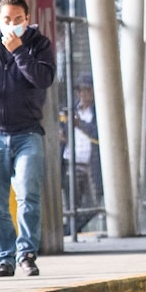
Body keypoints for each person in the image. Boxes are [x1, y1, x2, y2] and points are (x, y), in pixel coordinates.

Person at [0, 0, 57, 277]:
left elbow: (43, 79)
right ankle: (4, 257)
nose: (13, 25)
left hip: (28, 133)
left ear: (27, 18)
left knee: (28, 196)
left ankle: (27, 254)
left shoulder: (38, 44)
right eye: (7, 19)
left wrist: (19, 50)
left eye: (18, 19)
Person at [62, 74, 102, 209]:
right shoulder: (70, 110)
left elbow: (98, 135)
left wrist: (80, 124)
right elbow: (62, 132)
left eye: (87, 90)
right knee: (73, 205)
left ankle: (73, 228)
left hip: (91, 165)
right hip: (71, 163)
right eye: (80, 90)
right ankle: (70, 229)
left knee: (93, 205)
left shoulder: (99, 112)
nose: (83, 94)